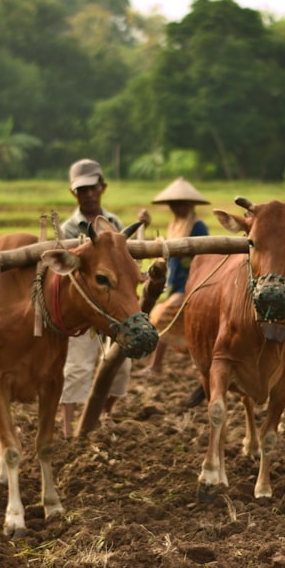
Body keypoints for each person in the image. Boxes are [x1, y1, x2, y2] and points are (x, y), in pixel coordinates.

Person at [58, 158, 150, 438]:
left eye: (92, 188)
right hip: (84, 307)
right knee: (76, 368)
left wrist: (143, 229)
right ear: (74, 193)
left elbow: (125, 261)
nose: (88, 194)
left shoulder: (116, 224)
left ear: (102, 187)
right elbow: (66, 271)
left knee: (122, 366)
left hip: (115, 306)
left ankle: (105, 416)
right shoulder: (68, 230)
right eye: (82, 189)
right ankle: (67, 428)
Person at [136, 177, 210, 377]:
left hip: (191, 287)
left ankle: (156, 366)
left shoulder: (198, 227)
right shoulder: (174, 225)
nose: (178, 208)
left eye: (182, 204)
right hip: (174, 285)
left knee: (161, 317)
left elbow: (205, 259)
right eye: (174, 204)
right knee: (172, 323)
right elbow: (164, 255)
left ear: (190, 204)